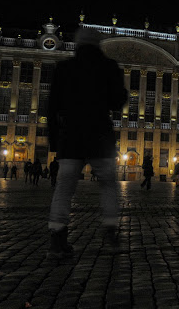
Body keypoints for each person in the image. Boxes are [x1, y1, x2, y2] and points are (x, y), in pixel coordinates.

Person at [46, 28, 128, 259]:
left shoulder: (64, 68)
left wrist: (54, 142)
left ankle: (57, 238)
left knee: (64, 187)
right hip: (99, 136)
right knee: (108, 185)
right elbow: (117, 101)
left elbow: (52, 107)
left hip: (71, 136)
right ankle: (111, 231)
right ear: (99, 45)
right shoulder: (108, 66)